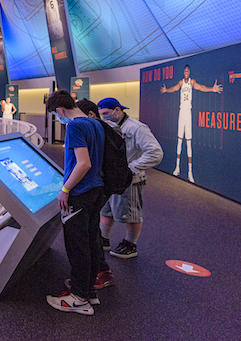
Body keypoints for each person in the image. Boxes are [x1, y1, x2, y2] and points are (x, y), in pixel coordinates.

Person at [45, 90, 104, 315]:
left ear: (60, 110)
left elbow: (83, 163)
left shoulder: (75, 127)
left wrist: (65, 189)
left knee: (77, 245)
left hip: (80, 192)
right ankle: (88, 290)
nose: (58, 119)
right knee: (91, 242)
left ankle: (79, 299)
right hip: (96, 190)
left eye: (56, 115)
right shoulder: (95, 123)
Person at [97, 98, 163, 259]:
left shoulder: (137, 128)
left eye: (106, 113)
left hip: (130, 180)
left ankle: (130, 245)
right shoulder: (108, 127)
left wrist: (132, 168)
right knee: (106, 210)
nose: (104, 117)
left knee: (132, 214)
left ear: (117, 110)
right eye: (101, 115)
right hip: (111, 178)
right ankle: (103, 240)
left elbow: (155, 153)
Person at [74, 99, 114, 289]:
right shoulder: (100, 128)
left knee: (88, 233)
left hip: (93, 187)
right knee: (93, 230)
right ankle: (97, 272)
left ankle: (93, 277)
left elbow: (86, 162)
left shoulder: (94, 128)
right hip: (99, 185)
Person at [160, 65, 222, 182]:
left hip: (188, 114)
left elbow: (201, 87)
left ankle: (190, 172)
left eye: (188, 70)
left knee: (188, 142)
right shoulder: (181, 82)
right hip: (181, 114)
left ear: (190, 72)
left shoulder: (192, 82)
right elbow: (174, 88)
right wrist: (166, 90)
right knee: (179, 140)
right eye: (185, 71)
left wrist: (212, 89)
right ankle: (177, 167)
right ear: (183, 72)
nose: (186, 72)